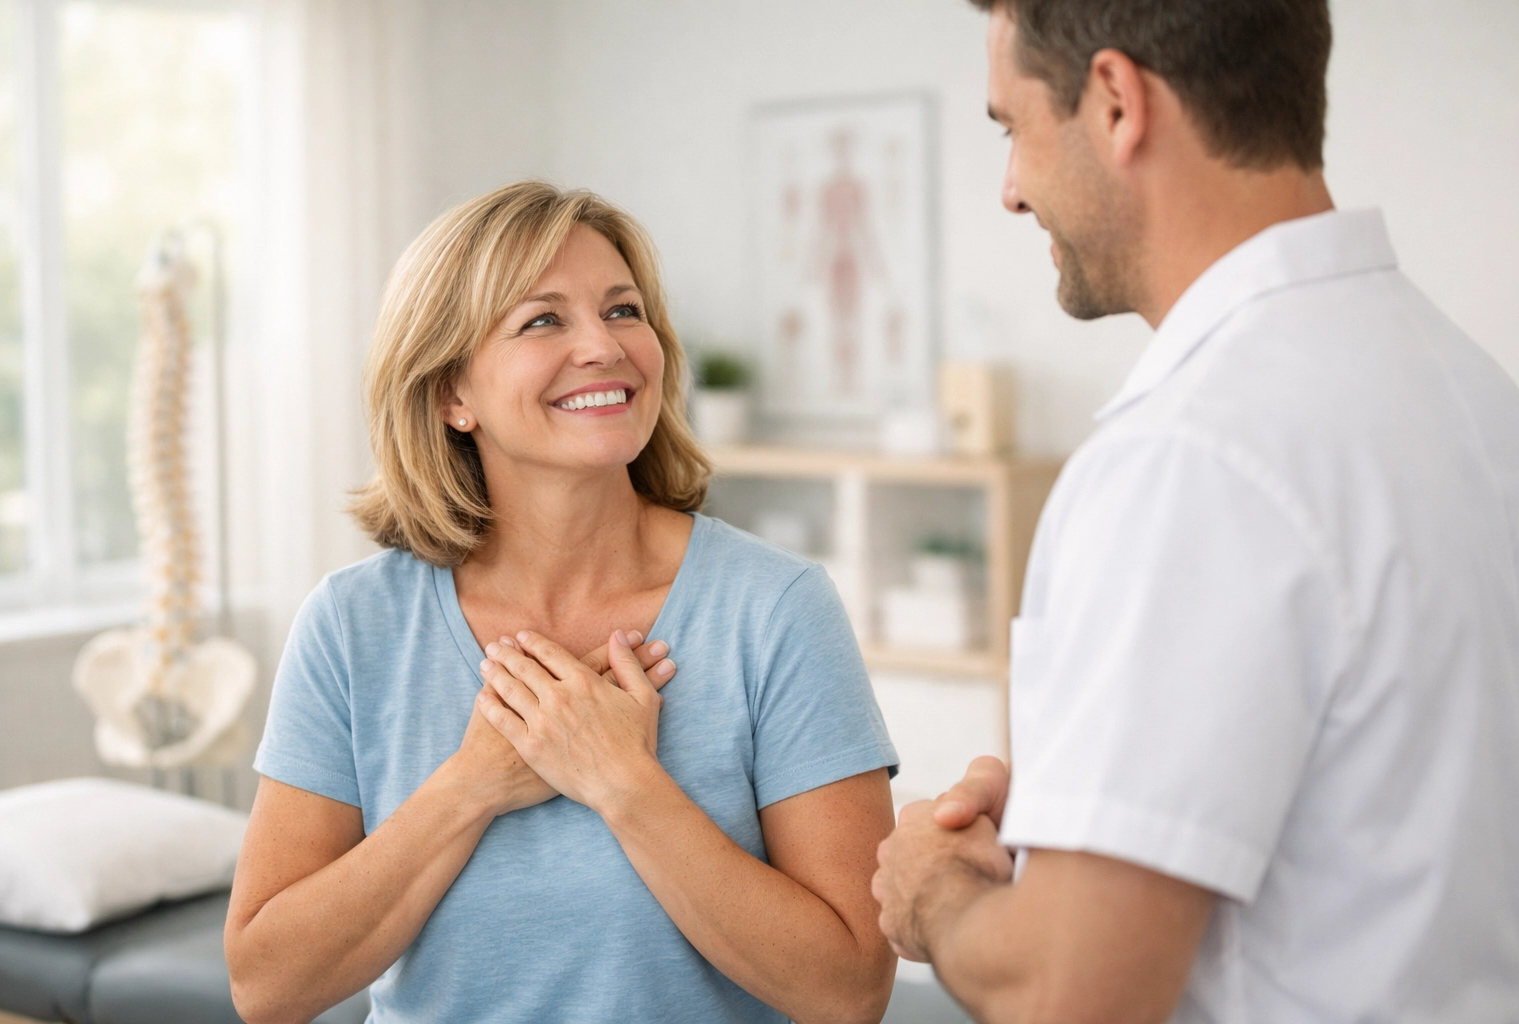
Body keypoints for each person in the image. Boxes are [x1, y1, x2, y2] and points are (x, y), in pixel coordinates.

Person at [870, 1, 1519, 1022]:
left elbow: (1067, 994)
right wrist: (1066, 823)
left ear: (1118, 102)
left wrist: (932, 889)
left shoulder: (1189, 457)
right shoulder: (1474, 394)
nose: (1011, 189)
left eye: (1012, 127)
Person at [224, 181, 900, 1024]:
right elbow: (265, 985)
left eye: (623, 310)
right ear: (451, 395)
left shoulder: (775, 609)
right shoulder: (352, 625)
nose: (604, 347)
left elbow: (849, 989)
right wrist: (473, 784)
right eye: (543, 320)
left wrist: (621, 781)